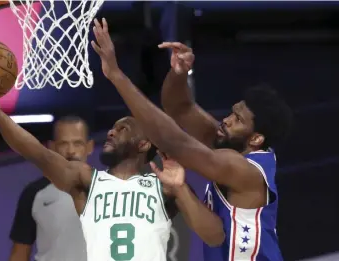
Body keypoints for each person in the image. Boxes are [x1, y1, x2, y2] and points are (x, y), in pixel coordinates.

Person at [91, 17, 293, 261]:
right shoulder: (229, 145)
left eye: (238, 119)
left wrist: (116, 75)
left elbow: (173, 140)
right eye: (232, 112)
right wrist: (179, 74)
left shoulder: (242, 169)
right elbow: (181, 108)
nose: (227, 120)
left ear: (257, 138)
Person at [0, 79, 224, 261]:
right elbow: (34, 151)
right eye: (113, 127)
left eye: (123, 129)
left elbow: (214, 237)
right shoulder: (86, 181)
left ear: (144, 143)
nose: (111, 131)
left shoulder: (165, 186)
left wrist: (181, 190)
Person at [9, 116, 93, 261]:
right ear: (52, 147)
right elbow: (19, 253)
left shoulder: (108, 187)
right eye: (64, 144)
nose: (71, 151)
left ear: (89, 147)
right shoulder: (34, 193)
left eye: (77, 143)